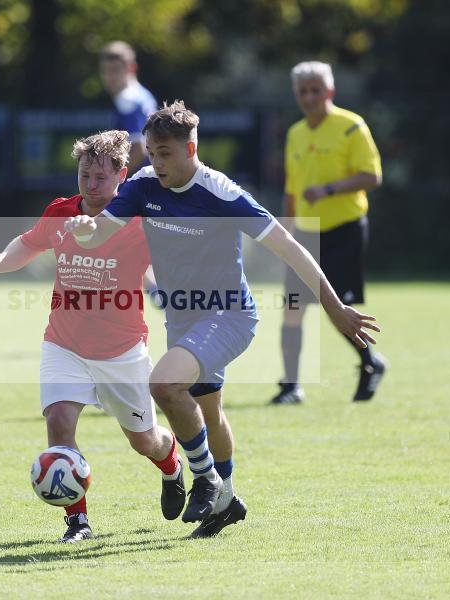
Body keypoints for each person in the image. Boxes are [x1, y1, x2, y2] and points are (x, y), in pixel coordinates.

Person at [64, 101, 380, 535]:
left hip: (228, 314)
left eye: (166, 154)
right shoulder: (141, 185)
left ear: (190, 147)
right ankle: (226, 500)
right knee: (208, 413)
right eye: (152, 153)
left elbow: (291, 247)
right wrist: (85, 229)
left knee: (164, 384)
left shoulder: (221, 193)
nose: (156, 163)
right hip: (182, 317)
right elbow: (104, 230)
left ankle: (206, 478)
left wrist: (334, 306)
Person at [0, 130, 185, 543]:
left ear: (122, 175)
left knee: (145, 442)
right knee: (60, 422)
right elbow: (28, 244)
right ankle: (77, 521)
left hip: (122, 351)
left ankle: (172, 467)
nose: (91, 184)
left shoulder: (140, 220)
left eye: (101, 177)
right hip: (63, 344)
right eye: (85, 174)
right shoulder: (61, 211)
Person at [271, 61, 386, 406]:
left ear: (330, 92)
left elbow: (372, 176)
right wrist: (283, 234)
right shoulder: (295, 133)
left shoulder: (351, 127)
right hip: (304, 234)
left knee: (338, 306)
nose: (309, 97)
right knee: (292, 306)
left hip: (343, 230)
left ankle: (371, 363)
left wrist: (330, 189)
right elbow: (291, 189)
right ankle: (291, 386)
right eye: (303, 91)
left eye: (315, 90)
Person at [99, 41, 157, 174]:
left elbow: (139, 149)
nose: (109, 77)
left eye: (115, 70)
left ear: (131, 68)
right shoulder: (144, 94)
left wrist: (111, 177)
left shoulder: (127, 99)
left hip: (138, 182)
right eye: (106, 70)